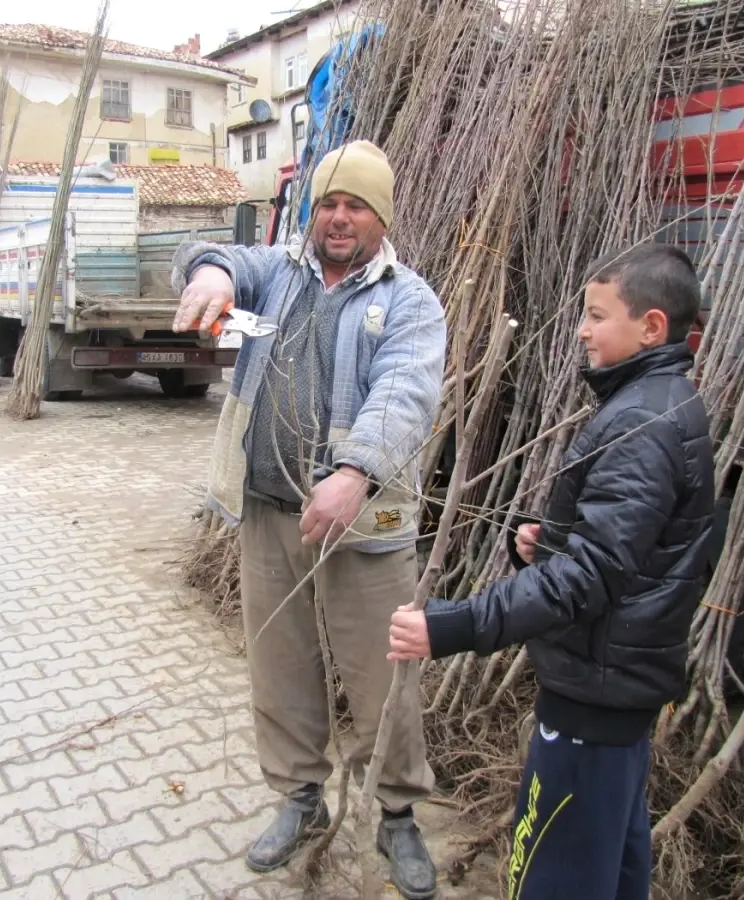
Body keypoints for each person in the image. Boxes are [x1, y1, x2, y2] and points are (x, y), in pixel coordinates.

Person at [387, 244, 717, 900]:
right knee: (612, 870)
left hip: (592, 699)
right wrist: (553, 542)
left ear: (651, 327)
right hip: (617, 693)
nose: (581, 330)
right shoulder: (663, 401)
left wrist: (447, 626)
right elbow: (628, 556)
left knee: (550, 874)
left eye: (598, 315)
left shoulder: (641, 425)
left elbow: (588, 579)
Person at [170, 141, 445, 899]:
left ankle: (396, 815)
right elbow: (223, 258)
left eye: (355, 204)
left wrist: (355, 470)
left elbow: (406, 392)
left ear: (380, 217)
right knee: (280, 666)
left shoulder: (409, 299)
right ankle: (298, 798)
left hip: (364, 520)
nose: (339, 217)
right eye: (328, 202)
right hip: (270, 511)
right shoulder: (280, 278)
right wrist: (210, 273)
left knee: (383, 673)